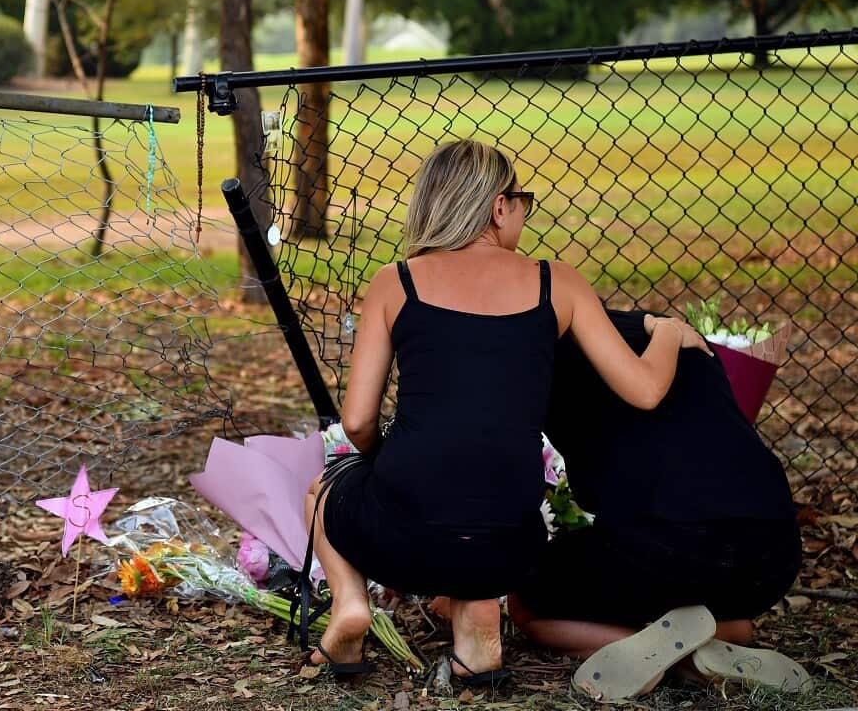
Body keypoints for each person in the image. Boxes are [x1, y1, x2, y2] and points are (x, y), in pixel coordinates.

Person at [300, 139, 711, 685]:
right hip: (511, 543)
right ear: (498, 206)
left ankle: (351, 604)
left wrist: (378, 466)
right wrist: (667, 333)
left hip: (402, 534)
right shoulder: (557, 281)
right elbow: (644, 391)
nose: (523, 211)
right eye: (522, 200)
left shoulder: (394, 282)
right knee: (478, 508)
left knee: (322, 489)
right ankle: (476, 640)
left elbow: (356, 422)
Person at [507, 308, 806, 699]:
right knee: (722, 605)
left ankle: (652, 651)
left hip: (674, 546)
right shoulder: (672, 333)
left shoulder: (537, 369)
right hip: (773, 555)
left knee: (527, 599)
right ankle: (719, 640)